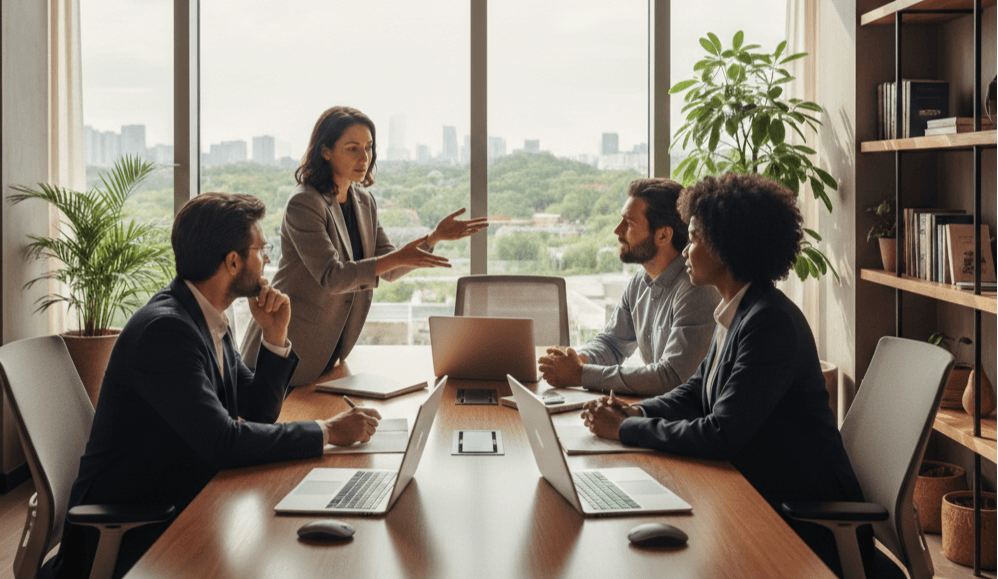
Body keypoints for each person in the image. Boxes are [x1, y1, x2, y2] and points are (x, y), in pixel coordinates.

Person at [49, 193, 381, 579]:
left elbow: (257, 411)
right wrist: (327, 431)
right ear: (233, 261)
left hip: (184, 494)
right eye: (262, 249)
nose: (268, 259)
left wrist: (275, 337)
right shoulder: (167, 331)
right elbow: (222, 442)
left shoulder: (206, 317)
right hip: (138, 524)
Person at [580, 173, 868, 575]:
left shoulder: (769, 324)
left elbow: (721, 434)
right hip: (753, 485)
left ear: (726, 246)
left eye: (694, 239)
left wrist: (625, 430)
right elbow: (699, 389)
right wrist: (637, 415)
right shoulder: (739, 310)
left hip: (794, 513)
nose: (686, 251)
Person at [240, 106, 487, 385]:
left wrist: (434, 237)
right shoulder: (305, 203)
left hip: (327, 356)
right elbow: (333, 277)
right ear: (325, 151)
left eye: (369, 147)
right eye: (353, 148)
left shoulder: (364, 201)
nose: (364, 157)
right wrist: (398, 257)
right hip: (285, 351)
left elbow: (389, 269)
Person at [537, 178, 718, 396]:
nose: (617, 230)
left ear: (663, 235)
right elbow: (612, 343)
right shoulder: (640, 282)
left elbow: (671, 377)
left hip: (683, 420)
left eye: (628, 223)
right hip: (655, 410)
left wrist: (580, 374)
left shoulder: (695, 290)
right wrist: (576, 359)